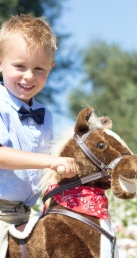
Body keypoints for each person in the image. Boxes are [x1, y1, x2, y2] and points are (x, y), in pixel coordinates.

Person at [0, 14, 78, 257]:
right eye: (20, 66)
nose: (29, 76)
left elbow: (43, 170)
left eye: (39, 69)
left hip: (25, 212)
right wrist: (50, 161)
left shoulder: (46, 116)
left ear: (51, 68)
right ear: (1, 61)